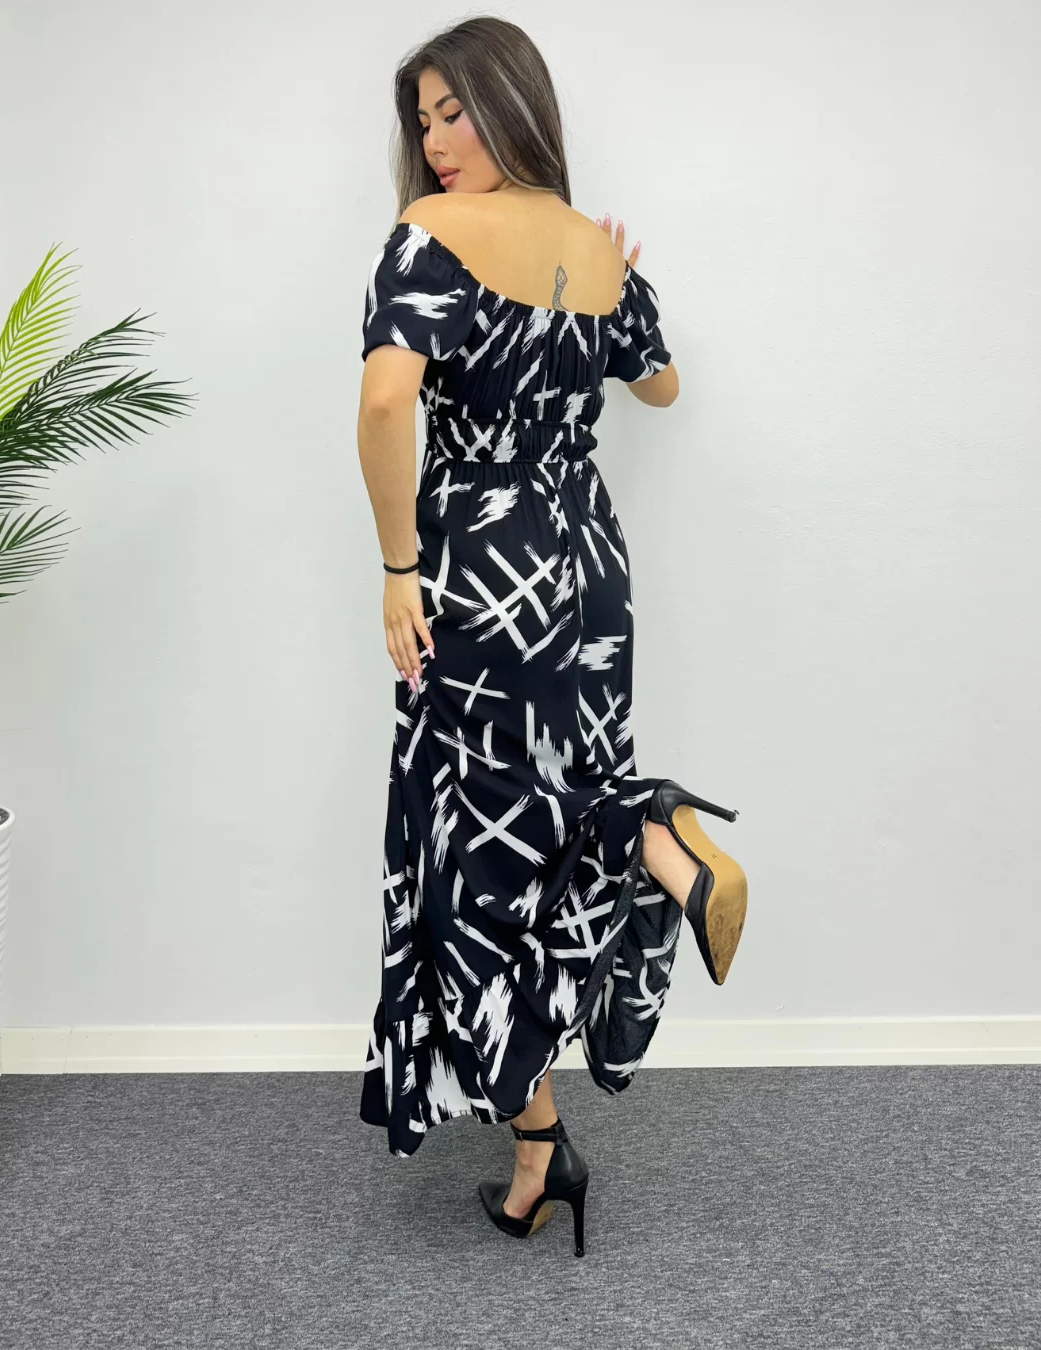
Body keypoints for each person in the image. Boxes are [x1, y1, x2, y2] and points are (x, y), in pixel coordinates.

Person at [356, 16, 748, 1258]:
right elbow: (662, 384)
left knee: (472, 852)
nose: (435, 140)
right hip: (589, 566)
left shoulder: (429, 235)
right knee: (551, 812)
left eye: (454, 111)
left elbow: (385, 402)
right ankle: (544, 1139)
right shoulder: (590, 246)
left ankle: (650, 854)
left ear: (513, 105)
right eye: (423, 119)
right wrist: (616, 277)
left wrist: (399, 567)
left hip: (483, 571)